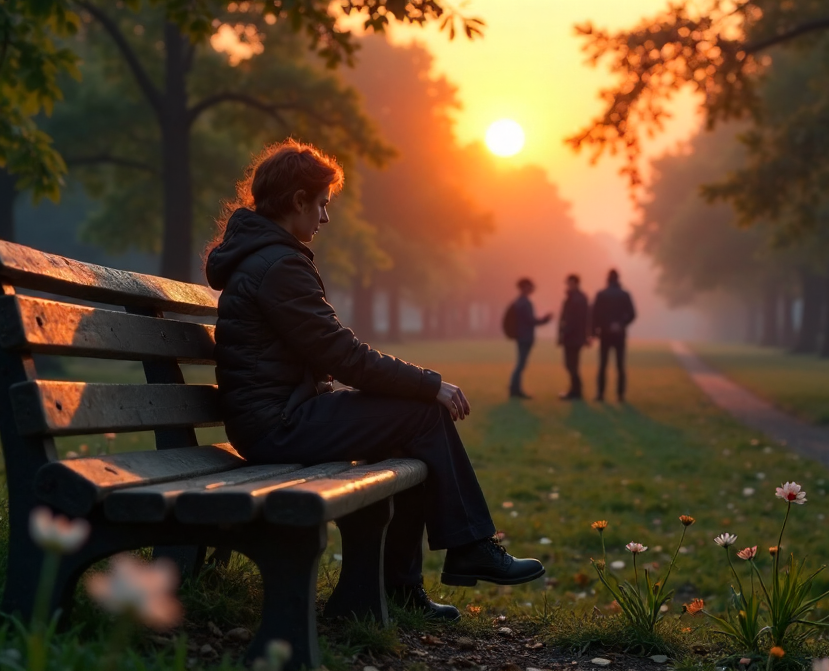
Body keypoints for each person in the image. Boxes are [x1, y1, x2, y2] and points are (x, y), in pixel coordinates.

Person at [204, 140, 544, 622]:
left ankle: (404, 585)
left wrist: (417, 386)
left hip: (278, 416)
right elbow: (343, 356)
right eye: (322, 204)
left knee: (410, 428)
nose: (325, 218)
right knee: (422, 414)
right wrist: (430, 384)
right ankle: (468, 547)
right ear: (298, 201)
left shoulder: (267, 257)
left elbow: (332, 353)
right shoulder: (278, 265)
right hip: (277, 425)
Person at [590, 269, 636, 402]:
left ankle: (600, 393)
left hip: (604, 333)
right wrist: (621, 324)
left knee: (602, 365)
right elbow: (632, 314)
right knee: (620, 365)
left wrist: (595, 331)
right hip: (619, 334)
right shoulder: (625, 295)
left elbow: (594, 314)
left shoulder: (601, 294)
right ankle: (620, 394)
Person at [508, 278, 552, 399]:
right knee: (521, 364)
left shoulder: (519, 302)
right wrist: (545, 320)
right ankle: (515, 389)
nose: (532, 288)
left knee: (520, 363)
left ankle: (515, 389)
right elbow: (530, 320)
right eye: (530, 286)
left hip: (521, 336)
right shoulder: (525, 303)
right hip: (525, 337)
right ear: (525, 287)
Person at [557, 274, 590, 400]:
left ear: (576, 283)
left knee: (571, 364)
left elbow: (575, 319)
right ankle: (575, 389)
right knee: (571, 365)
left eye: (570, 283)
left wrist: (564, 332)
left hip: (573, 337)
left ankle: (576, 391)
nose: (568, 285)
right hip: (573, 336)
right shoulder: (575, 298)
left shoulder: (577, 299)